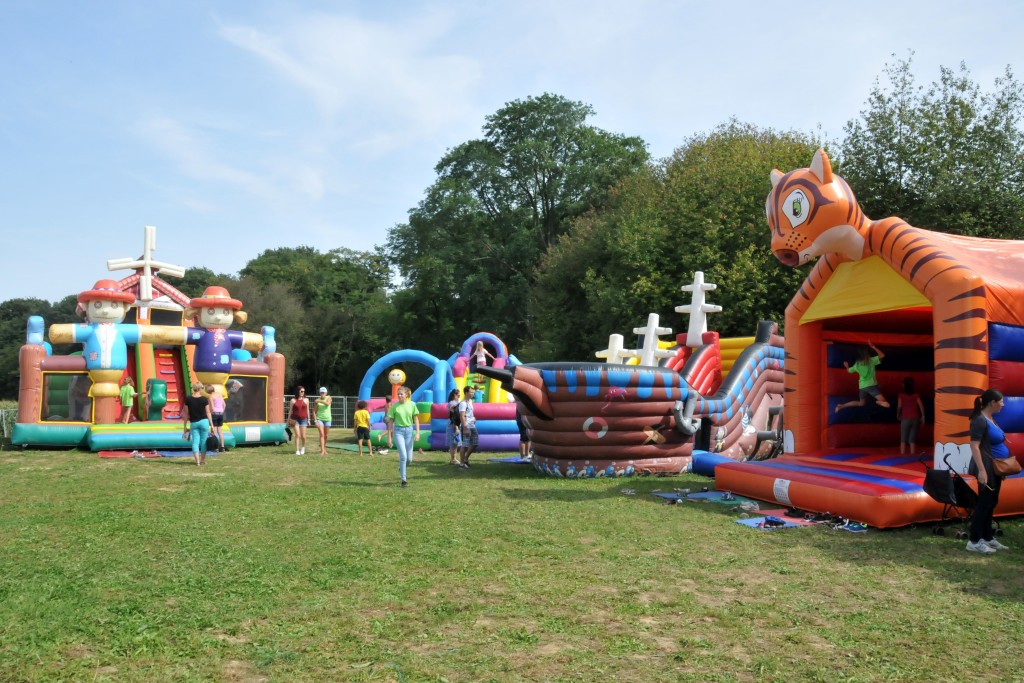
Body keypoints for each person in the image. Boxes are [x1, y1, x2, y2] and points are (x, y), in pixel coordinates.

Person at [967, 389, 1012, 554]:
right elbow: (974, 446)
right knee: (984, 503)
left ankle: (987, 537)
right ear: (992, 403)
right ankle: (974, 541)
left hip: (995, 468)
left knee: (991, 502)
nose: (1003, 404)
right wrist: (982, 471)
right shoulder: (979, 420)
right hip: (986, 467)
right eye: (1001, 401)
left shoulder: (990, 418)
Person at [835, 341, 890, 413]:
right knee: (886, 404)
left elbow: (849, 371)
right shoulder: (871, 361)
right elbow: (882, 355)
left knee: (861, 403)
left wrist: (847, 367)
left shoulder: (857, 364)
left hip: (862, 386)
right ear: (867, 353)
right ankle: (879, 401)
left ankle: (841, 406)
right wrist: (873, 347)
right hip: (870, 386)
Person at [387, 386, 420, 487]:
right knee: (403, 456)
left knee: (409, 459)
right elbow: (390, 422)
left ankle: (401, 468)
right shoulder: (394, 406)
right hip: (398, 432)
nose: (399, 395)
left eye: (401, 394)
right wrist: (389, 437)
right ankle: (404, 480)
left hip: (409, 431)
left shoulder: (412, 405)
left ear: (406, 394)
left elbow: (416, 419)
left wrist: (417, 433)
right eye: (398, 394)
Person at [182, 381, 213, 467]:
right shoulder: (204, 399)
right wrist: (212, 425)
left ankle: (197, 462)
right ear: (200, 389)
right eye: (202, 388)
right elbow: (208, 412)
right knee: (203, 442)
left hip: (194, 423)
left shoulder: (188, 399)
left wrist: (185, 426)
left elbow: (186, 414)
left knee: (195, 442)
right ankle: (202, 460)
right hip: (204, 422)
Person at [896, 377, 926, 454]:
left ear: (903, 385)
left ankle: (902, 455)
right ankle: (913, 455)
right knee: (912, 440)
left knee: (903, 439)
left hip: (905, 418)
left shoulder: (901, 395)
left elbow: (899, 406)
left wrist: (898, 414)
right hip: (915, 418)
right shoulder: (916, 395)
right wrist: (923, 416)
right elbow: (921, 405)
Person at [459, 387, 479, 468]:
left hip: (472, 425)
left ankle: (465, 458)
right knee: (465, 445)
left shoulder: (470, 401)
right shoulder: (463, 403)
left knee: (475, 443)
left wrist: (473, 418)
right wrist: (465, 428)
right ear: (466, 393)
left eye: (473, 392)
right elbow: (462, 416)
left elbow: (469, 413)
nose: (473, 393)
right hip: (466, 426)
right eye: (471, 392)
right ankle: (461, 464)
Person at [288, 386, 310, 455]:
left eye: (303, 391)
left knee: (303, 436)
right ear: (298, 391)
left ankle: (303, 447)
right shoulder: (293, 400)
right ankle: (297, 450)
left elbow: (307, 410)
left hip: (304, 419)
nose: (303, 392)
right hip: (295, 419)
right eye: (301, 391)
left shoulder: (306, 400)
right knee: (297, 435)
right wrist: (288, 420)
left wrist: (309, 419)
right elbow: (290, 411)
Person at [314, 387, 332, 456]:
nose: (322, 394)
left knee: (326, 435)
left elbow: (327, 404)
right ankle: (322, 450)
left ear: (326, 393)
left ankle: (324, 448)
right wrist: (315, 421)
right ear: (319, 393)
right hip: (319, 419)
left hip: (328, 419)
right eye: (321, 392)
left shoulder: (329, 397)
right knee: (321, 434)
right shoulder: (317, 401)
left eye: (323, 392)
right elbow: (314, 411)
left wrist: (319, 401)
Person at [208, 384, 226, 452]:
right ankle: (222, 447)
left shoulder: (211, 396)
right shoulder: (220, 395)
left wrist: (209, 412)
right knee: (220, 431)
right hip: (220, 413)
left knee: (214, 431)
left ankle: (215, 447)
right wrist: (222, 411)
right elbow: (224, 405)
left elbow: (212, 407)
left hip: (214, 414)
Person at [446, 388, 462, 465]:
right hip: (453, 424)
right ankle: (453, 459)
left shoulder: (456, 402)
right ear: (454, 395)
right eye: (457, 394)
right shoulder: (452, 403)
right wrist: (456, 427)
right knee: (453, 443)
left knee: (455, 443)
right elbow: (453, 416)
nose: (459, 396)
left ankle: (454, 458)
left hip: (456, 424)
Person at [513, 395, 532, 460]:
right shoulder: (523, 403)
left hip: (521, 420)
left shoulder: (519, 403)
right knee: (525, 438)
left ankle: (525, 455)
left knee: (525, 438)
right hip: (523, 421)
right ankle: (524, 455)